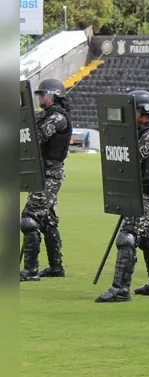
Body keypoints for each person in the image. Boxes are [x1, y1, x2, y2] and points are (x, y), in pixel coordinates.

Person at [95, 90, 149, 302]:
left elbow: (133, 157)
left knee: (128, 234)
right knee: (147, 235)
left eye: (132, 109)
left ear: (143, 111)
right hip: (136, 191)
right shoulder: (135, 132)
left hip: (145, 193)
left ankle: (120, 288)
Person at [20, 79, 72, 282]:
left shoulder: (57, 118)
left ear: (54, 95)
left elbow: (37, 138)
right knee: (47, 220)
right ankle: (55, 267)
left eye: (43, 95)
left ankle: (31, 270)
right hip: (45, 172)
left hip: (50, 174)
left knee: (29, 218)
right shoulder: (48, 115)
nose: (40, 98)